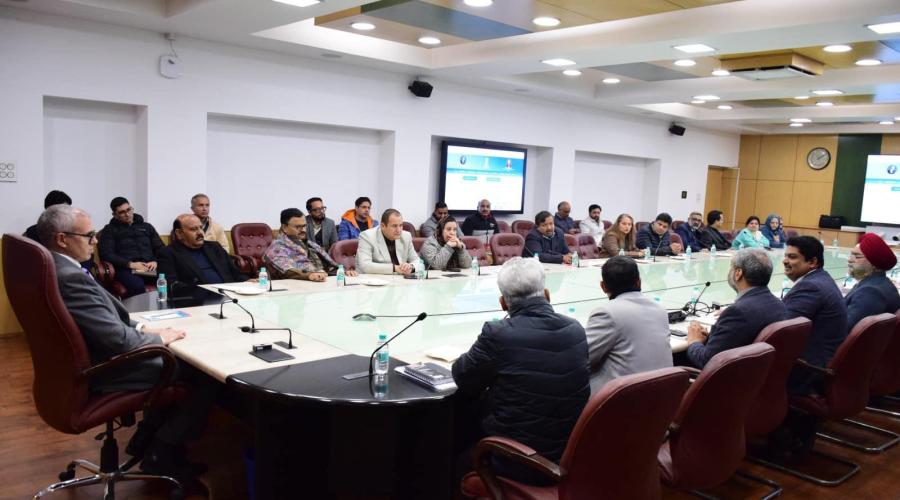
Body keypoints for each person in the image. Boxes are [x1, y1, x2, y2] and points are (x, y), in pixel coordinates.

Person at [37, 205, 208, 481]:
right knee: (198, 372)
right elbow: (118, 340)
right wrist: (157, 338)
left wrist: (142, 326)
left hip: (84, 361)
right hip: (105, 368)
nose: (95, 242)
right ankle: (160, 453)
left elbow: (104, 318)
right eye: (89, 235)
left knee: (179, 362)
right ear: (61, 239)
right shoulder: (69, 277)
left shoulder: (55, 267)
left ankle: (144, 437)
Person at [452, 257, 589, 485]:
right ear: (546, 294)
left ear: (503, 303)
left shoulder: (498, 334)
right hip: (571, 451)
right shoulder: (575, 329)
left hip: (519, 459)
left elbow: (463, 377)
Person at [684, 249, 785, 368]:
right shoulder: (778, 304)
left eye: (731, 268)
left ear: (738, 273)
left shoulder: (738, 312)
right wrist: (712, 338)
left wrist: (694, 341)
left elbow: (707, 361)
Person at [584, 256, 672, 392]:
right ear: (639, 283)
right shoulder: (660, 309)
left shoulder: (607, 313)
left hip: (621, 400)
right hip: (663, 397)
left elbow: (583, 359)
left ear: (603, 286)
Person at [782, 236, 848, 395]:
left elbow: (780, 326)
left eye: (792, 257)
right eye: (785, 255)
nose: (785, 261)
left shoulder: (810, 286)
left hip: (810, 370)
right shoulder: (820, 278)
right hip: (822, 360)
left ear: (812, 262)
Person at [156, 215, 248, 294]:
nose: (200, 232)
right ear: (179, 233)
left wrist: (247, 282)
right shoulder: (168, 254)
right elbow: (170, 285)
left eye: (200, 227)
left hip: (229, 295)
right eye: (193, 229)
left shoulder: (214, 247)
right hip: (197, 301)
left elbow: (236, 274)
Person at [265, 208, 357, 281]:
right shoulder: (276, 248)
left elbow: (330, 266)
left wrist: (343, 272)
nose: (303, 230)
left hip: (322, 285)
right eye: (298, 227)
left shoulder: (309, 244)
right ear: (284, 227)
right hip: (294, 290)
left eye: (304, 226)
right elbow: (288, 271)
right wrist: (310, 275)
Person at [98, 197, 165, 298]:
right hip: (126, 269)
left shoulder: (147, 227)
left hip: (149, 268)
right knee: (137, 286)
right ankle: (137, 313)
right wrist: (131, 264)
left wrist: (155, 261)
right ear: (115, 215)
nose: (127, 214)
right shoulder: (109, 230)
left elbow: (161, 248)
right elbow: (106, 254)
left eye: (129, 210)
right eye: (122, 212)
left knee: (170, 278)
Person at [24, 189, 94, 272]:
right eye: (64, 209)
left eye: (69, 208)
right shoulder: (32, 232)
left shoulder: (75, 231)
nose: (69, 213)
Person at [844, 233, 900, 332]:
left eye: (857, 257)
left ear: (874, 263)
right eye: (851, 255)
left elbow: (844, 328)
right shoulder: (882, 283)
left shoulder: (870, 292)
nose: (850, 260)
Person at [356, 209, 419, 275]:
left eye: (400, 225)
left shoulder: (406, 236)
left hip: (399, 280)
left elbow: (418, 262)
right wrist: (395, 268)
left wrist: (411, 267)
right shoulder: (367, 236)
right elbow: (365, 266)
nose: (399, 230)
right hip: (373, 281)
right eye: (394, 226)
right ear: (383, 226)